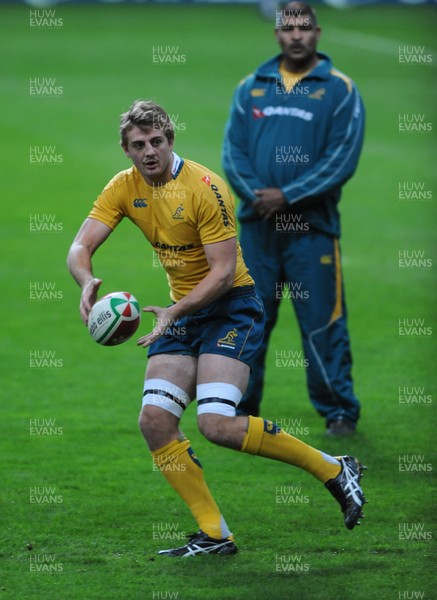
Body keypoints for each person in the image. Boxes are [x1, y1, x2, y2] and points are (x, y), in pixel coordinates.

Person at [67, 100, 367, 557]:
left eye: (157, 141)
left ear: (170, 141)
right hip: (182, 313)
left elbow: (223, 273)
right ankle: (214, 534)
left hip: (232, 308)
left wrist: (174, 312)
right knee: (155, 421)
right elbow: (80, 244)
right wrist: (86, 280)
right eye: (138, 145)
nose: (149, 151)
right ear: (125, 150)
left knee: (216, 423)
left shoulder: (206, 188)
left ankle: (333, 469)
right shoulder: (123, 187)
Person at [222, 2, 365, 436]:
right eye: (289, 28)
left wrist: (288, 195)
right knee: (249, 319)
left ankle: (338, 410)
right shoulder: (252, 86)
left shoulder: (339, 89)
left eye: (305, 28)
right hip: (258, 230)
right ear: (277, 35)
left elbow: (342, 157)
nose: (297, 35)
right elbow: (233, 152)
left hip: (312, 232)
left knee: (323, 321)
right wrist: (256, 196)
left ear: (318, 33)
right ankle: (239, 406)